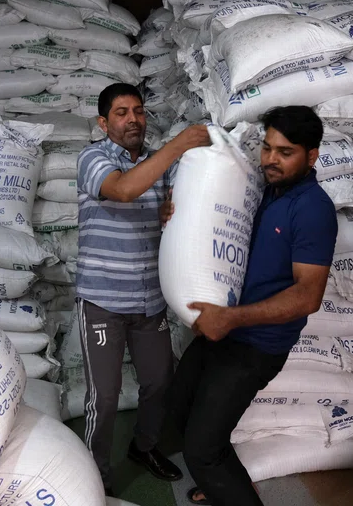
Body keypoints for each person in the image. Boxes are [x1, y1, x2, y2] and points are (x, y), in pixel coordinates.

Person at [165, 106, 339, 506]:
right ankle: (222, 484)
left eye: (285, 152)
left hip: (256, 345)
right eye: (266, 148)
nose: (270, 160)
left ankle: (231, 491)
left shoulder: (313, 209)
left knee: (203, 450)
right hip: (225, 330)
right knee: (180, 409)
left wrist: (230, 317)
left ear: (312, 156)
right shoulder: (263, 190)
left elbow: (308, 295)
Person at [76, 83, 210, 496]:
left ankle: (143, 447)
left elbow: (171, 205)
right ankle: (94, 478)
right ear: (104, 122)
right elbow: (123, 189)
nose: (133, 119)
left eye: (138, 111)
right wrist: (180, 143)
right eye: (121, 112)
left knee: (159, 382)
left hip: (149, 299)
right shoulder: (91, 157)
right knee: (106, 396)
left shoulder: (158, 165)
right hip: (102, 301)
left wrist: (175, 209)